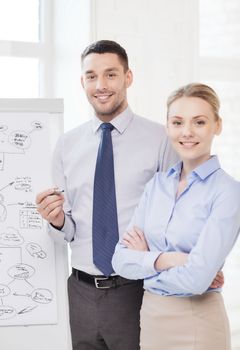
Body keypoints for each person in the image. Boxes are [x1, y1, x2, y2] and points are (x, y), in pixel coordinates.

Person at [35, 40, 178, 350]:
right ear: (82, 81)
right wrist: (58, 221)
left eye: (111, 74)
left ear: (128, 77)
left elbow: (178, 217)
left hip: (137, 291)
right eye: (91, 76)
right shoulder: (66, 145)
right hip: (80, 293)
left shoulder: (161, 140)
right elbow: (68, 232)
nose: (100, 85)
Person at [112, 82, 240, 350]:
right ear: (168, 127)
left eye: (199, 122)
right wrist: (170, 259)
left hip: (198, 321)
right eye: (178, 122)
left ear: (217, 125)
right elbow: (120, 260)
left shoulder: (228, 192)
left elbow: (196, 280)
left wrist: (145, 263)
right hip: (151, 319)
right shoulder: (156, 185)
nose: (187, 132)